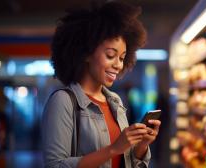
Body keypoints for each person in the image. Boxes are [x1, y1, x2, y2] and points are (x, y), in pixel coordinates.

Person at [41, 1, 161, 168]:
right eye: (111, 55)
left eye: (121, 57)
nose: (118, 65)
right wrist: (113, 149)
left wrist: (141, 145)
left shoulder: (115, 102)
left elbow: (125, 162)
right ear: (86, 53)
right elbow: (55, 165)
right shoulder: (63, 101)